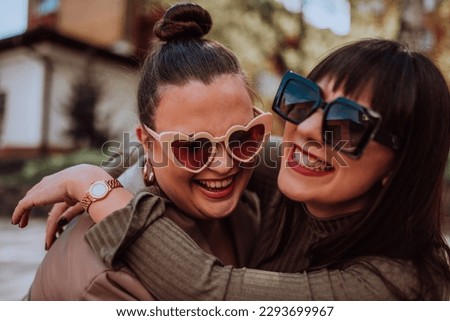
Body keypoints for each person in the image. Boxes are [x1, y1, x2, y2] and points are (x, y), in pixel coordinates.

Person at [78, 39, 450, 300]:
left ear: (402, 164)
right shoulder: (296, 181)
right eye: (305, 100)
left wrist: (96, 189)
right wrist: (110, 170)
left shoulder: (397, 283)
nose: (305, 128)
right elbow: (186, 140)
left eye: (347, 125)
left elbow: (209, 294)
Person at [11, 2, 272, 300]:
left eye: (243, 137)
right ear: (147, 143)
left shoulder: (248, 207)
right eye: (193, 146)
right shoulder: (104, 277)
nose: (225, 164)